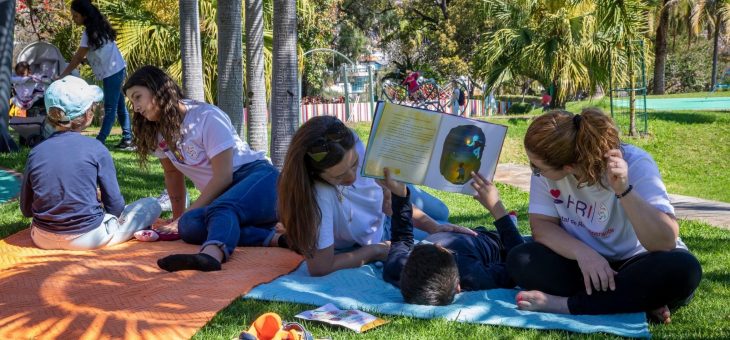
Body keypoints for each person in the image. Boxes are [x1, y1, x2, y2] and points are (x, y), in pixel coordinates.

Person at [506, 108, 702, 323]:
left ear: (569, 166)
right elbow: (542, 226)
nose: (534, 169)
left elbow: (664, 241)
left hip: (639, 260)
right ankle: (635, 300)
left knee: (683, 269)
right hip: (582, 266)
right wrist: (583, 254)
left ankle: (568, 305)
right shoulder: (546, 174)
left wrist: (623, 189)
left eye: (536, 166)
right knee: (521, 259)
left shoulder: (636, 163)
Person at [123, 65, 279, 272]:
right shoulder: (157, 132)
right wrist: (178, 220)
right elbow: (172, 174)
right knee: (190, 226)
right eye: (132, 101)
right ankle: (277, 238)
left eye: (137, 97)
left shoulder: (206, 117)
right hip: (225, 198)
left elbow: (224, 177)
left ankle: (211, 256)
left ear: (157, 89)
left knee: (221, 209)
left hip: (258, 178)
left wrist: (181, 217)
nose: (135, 107)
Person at [276, 116, 468, 277]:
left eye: (354, 165)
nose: (351, 177)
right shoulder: (318, 195)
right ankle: (274, 236)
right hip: (379, 233)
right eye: (339, 176)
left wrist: (432, 225)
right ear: (315, 175)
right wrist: (375, 251)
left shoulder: (352, 145)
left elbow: (391, 206)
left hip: (386, 214)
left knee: (442, 213)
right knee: (445, 241)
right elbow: (320, 267)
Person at [20, 76, 161, 250]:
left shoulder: (35, 153)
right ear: (88, 115)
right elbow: (115, 207)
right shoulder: (96, 149)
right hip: (89, 237)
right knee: (151, 205)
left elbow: (26, 210)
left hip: (42, 238)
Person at [382, 171, 524, 306]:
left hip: (459, 233)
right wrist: (497, 210)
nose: (437, 243)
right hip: (494, 242)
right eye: (441, 248)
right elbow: (519, 264)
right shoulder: (475, 276)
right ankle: (511, 224)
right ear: (458, 287)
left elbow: (401, 239)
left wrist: (400, 194)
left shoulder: (397, 268)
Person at [57, 0, 132, 149]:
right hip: (117, 68)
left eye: (76, 16)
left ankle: (100, 141)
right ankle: (128, 139)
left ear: (85, 15)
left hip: (113, 71)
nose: (74, 19)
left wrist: (62, 75)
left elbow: (77, 57)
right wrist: (87, 60)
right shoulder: (99, 28)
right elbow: (100, 52)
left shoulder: (89, 32)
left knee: (110, 107)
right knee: (119, 106)